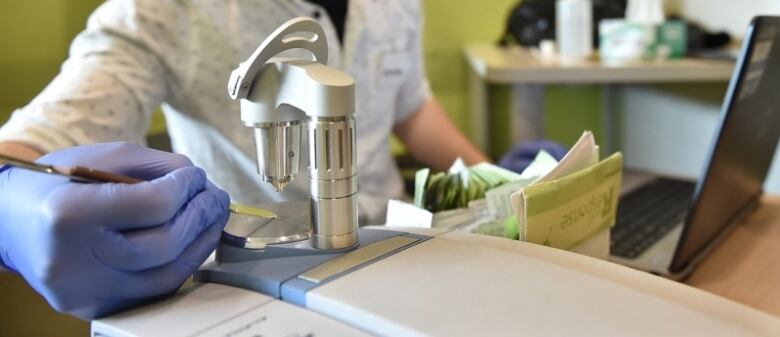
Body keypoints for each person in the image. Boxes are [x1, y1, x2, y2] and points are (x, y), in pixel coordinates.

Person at [0, 0, 493, 320]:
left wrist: (499, 180)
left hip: (405, 260)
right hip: (252, 285)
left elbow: (412, 109)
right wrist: (9, 208)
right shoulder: (164, 12)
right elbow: (32, 139)